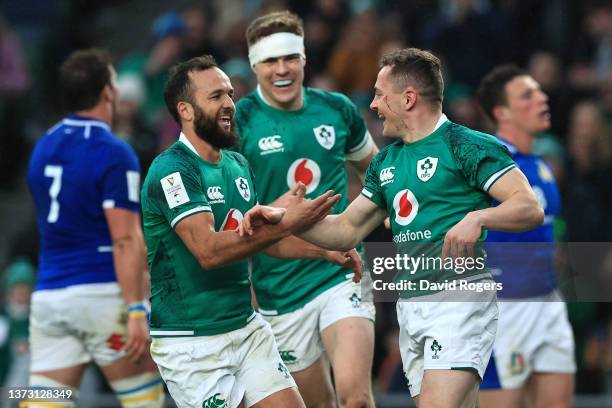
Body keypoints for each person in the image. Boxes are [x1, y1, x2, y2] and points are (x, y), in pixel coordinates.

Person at [240, 47, 544, 407]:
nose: (373, 105)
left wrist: (478, 217)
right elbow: (345, 231)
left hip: (459, 298)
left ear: (409, 98)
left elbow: (528, 206)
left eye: (380, 94)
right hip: (411, 306)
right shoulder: (386, 162)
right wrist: (285, 220)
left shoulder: (467, 145)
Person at [142, 54, 358, 408]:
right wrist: (289, 220)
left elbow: (260, 240)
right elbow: (209, 252)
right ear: (185, 110)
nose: (230, 103)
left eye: (229, 93)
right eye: (216, 97)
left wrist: (324, 252)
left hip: (245, 327)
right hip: (192, 342)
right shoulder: (173, 169)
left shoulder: (237, 164)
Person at [234, 11, 378, 408]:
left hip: (341, 273)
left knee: (357, 399)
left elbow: (380, 176)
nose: (282, 70)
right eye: (270, 61)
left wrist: (358, 227)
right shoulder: (240, 122)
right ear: (254, 65)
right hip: (277, 290)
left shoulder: (337, 110)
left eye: (290, 58)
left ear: (303, 59)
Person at [26, 49, 163, 407]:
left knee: (44, 401)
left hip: (49, 298)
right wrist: (136, 308)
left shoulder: (42, 148)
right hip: (102, 295)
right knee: (145, 399)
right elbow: (124, 238)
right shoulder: (114, 152)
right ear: (108, 92)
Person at [476, 64, 576, 408]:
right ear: (501, 112)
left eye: (539, 91)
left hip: (548, 302)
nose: (541, 98)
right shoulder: (485, 164)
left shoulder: (541, 164)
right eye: (527, 95)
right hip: (506, 309)